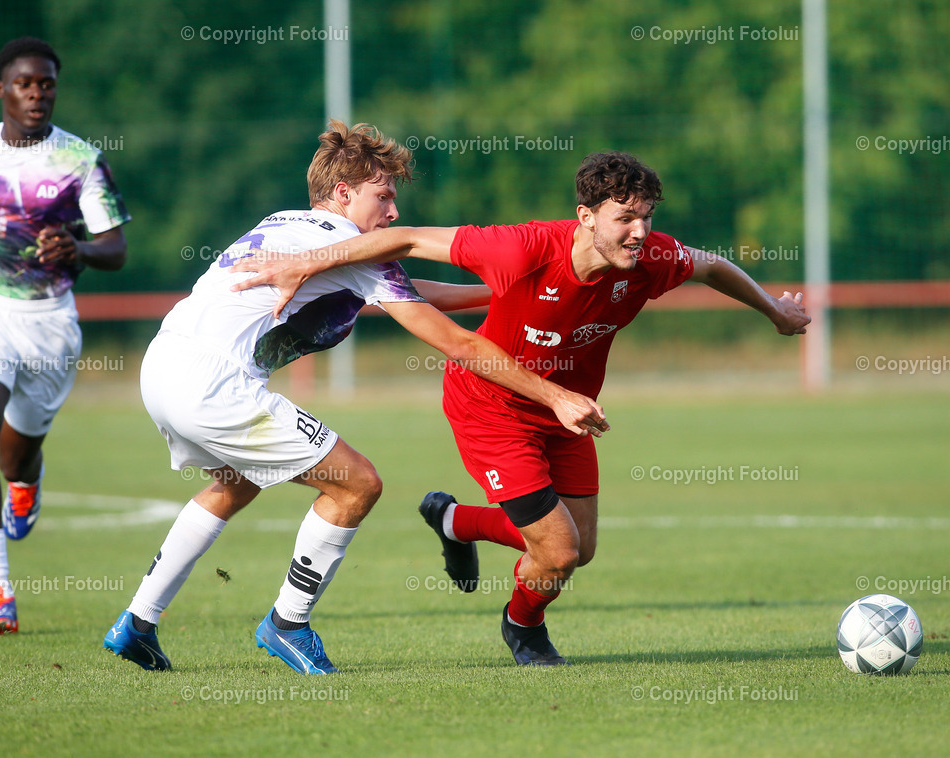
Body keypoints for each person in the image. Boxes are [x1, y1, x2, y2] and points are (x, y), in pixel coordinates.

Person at [230, 150, 811, 666]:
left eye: (647, 217)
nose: (640, 232)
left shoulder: (652, 258)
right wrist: (310, 262)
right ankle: (523, 628)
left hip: (566, 413)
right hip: (490, 406)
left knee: (580, 551)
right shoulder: (522, 247)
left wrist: (774, 310)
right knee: (558, 552)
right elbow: (403, 240)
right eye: (625, 218)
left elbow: (711, 265)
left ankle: (454, 521)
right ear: (586, 216)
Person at [102, 121, 606, 674]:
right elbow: (459, 344)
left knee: (236, 483)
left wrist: (504, 292)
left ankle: (138, 622)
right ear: (343, 193)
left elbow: (408, 293)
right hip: (214, 387)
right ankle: (288, 623)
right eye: (382, 196)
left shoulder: (284, 224)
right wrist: (555, 395)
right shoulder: (351, 250)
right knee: (357, 483)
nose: (393, 212)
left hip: (163, 367)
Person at [0, 37, 129, 635]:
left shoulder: (81, 160)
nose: (37, 94)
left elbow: (116, 248)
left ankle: (26, 479)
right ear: (2, 89)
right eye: (25, 84)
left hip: (48, 325)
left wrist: (80, 249)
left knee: (15, 454)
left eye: (46, 84)